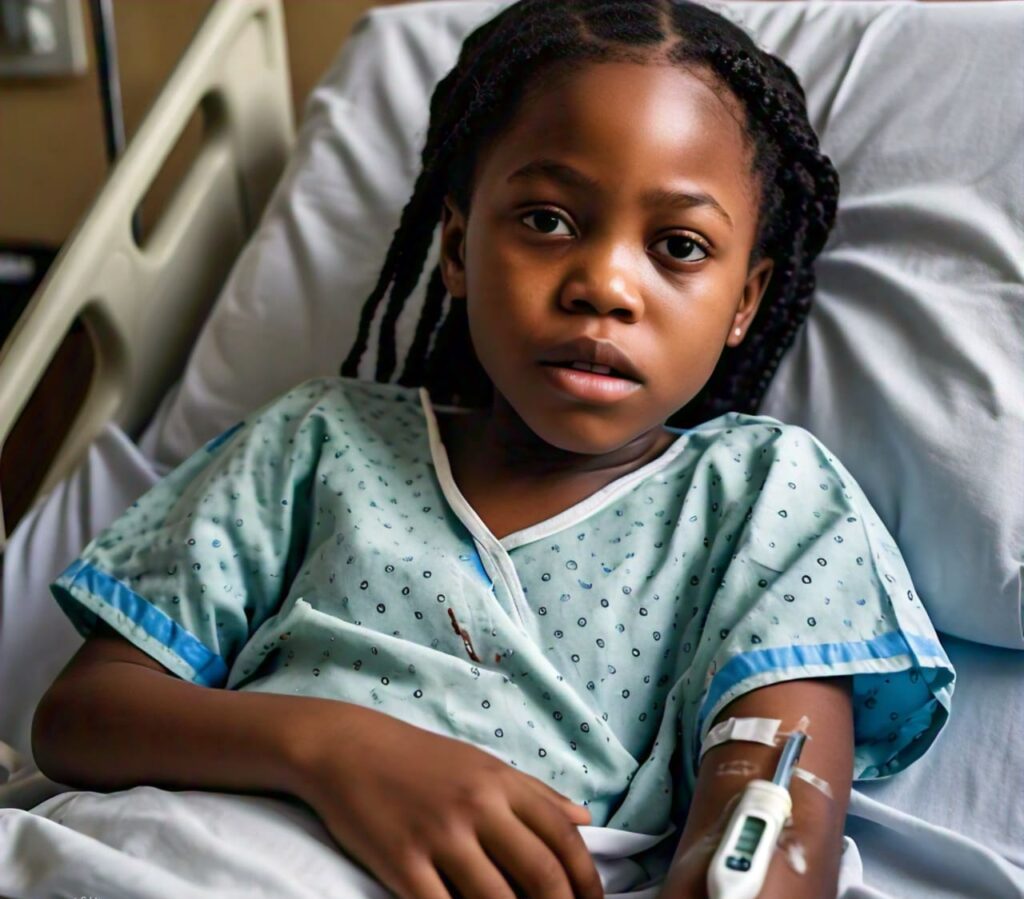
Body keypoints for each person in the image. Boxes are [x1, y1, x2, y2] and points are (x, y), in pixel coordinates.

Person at [32, 1, 955, 897]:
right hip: (150, 847)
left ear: (745, 301)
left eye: (677, 244)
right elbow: (80, 715)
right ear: (459, 248)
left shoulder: (765, 498)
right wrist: (333, 749)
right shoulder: (317, 441)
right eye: (548, 220)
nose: (604, 284)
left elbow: (766, 826)